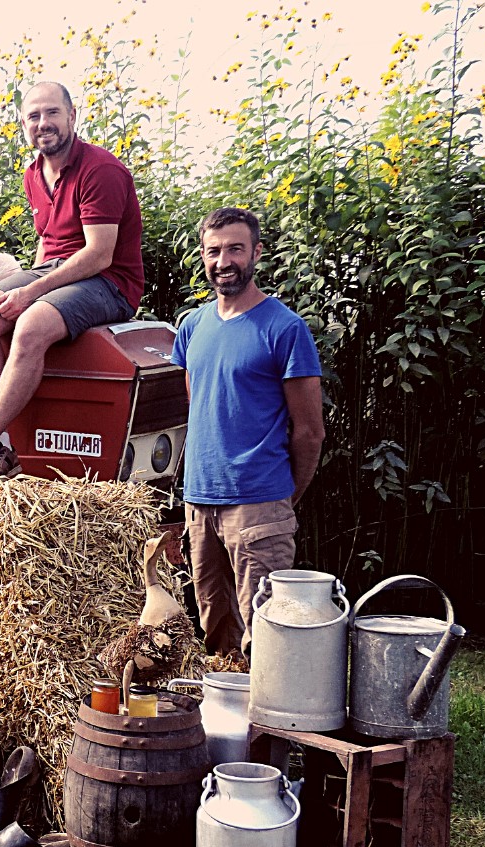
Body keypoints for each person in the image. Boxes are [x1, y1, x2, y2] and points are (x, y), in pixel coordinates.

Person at [0, 81, 144, 495]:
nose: (43, 123)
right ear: (23, 124)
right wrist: (17, 285)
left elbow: (100, 255)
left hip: (109, 282)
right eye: (33, 116)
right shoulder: (34, 175)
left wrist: (32, 292)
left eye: (51, 113)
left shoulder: (101, 170)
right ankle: (2, 452)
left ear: (72, 116)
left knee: (31, 324)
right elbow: (48, 246)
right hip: (58, 269)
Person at [174, 207, 325, 655]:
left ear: (256, 252)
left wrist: (281, 498)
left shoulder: (284, 329)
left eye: (235, 249)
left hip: (258, 503)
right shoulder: (192, 327)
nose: (224, 261)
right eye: (214, 251)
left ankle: (272, 726)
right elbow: (198, 408)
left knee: (266, 637)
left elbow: (310, 432)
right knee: (215, 630)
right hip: (200, 502)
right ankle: (226, 722)